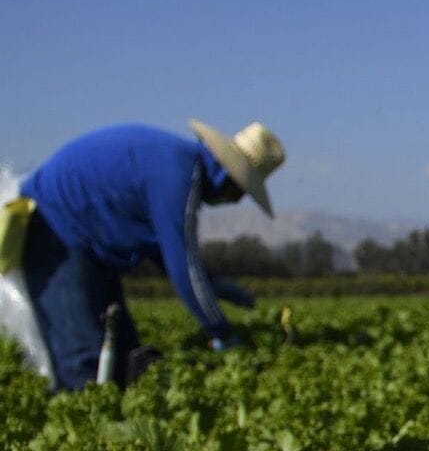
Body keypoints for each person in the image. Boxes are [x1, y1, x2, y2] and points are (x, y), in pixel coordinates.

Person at [16, 120, 284, 390]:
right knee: (83, 366)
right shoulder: (179, 174)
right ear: (228, 177)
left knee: (125, 357)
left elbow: (164, 252)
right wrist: (221, 331)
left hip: (89, 249)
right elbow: (183, 265)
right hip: (55, 235)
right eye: (239, 192)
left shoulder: (175, 163)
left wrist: (213, 284)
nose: (235, 201)